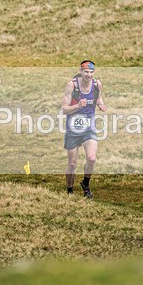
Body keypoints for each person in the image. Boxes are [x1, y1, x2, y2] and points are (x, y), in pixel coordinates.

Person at [61, 60, 107, 199]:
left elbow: (98, 98)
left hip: (89, 127)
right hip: (73, 129)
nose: (89, 75)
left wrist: (101, 105)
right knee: (72, 163)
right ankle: (69, 190)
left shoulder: (97, 85)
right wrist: (77, 106)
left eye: (91, 72)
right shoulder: (72, 85)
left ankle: (85, 185)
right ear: (81, 72)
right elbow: (64, 109)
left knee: (92, 158)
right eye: (86, 72)